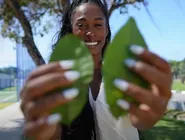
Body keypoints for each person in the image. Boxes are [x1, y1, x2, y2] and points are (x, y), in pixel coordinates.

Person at [20, 0, 172, 140]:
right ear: (71, 31)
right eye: (81, 25)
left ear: (106, 31)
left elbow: (140, 119)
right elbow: (54, 132)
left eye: (98, 25)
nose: (90, 33)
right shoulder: (62, 81)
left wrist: (150, 112)